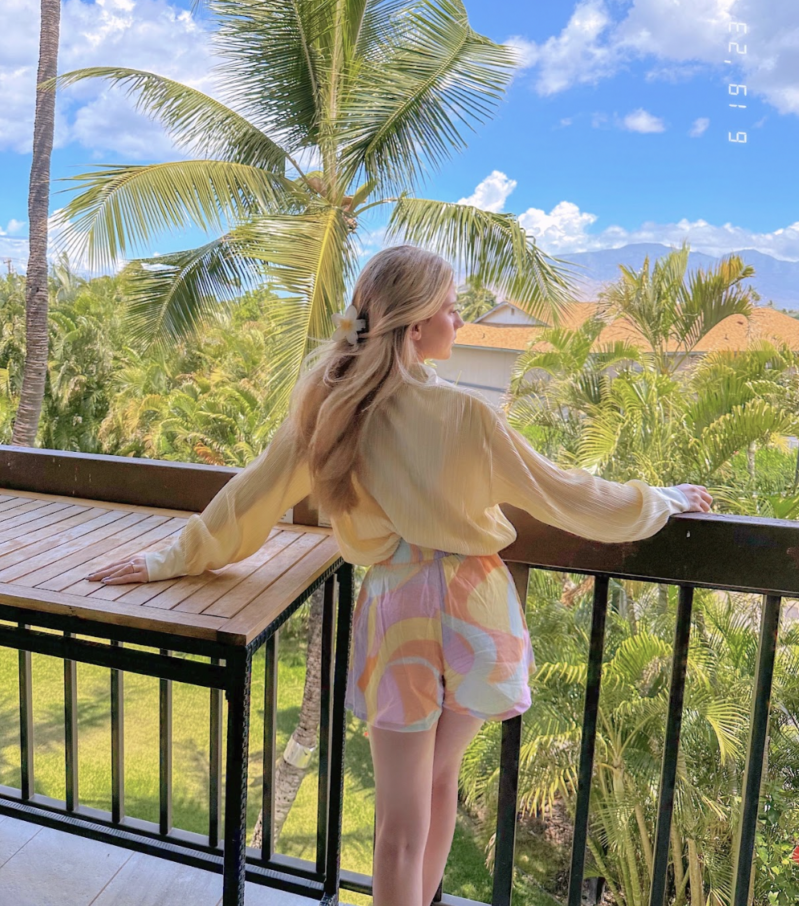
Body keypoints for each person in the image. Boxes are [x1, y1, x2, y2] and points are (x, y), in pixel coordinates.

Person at [88, 244, 712, 906]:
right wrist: (663, 499)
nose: (459, 318)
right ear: (416, 326)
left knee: (395, 825)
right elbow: (567, 493)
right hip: (477, 607)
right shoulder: (465, 416)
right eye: (450, 306)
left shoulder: (331, 407)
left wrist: (171, 557)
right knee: (440, 783)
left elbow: (254, 496)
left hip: (398, 609)